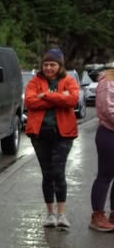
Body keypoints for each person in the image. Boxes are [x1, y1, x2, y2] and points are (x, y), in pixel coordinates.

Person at [23, 48, 79, 229]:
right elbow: (29, 102)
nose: (48, 68)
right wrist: (59, 98)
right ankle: (50, 214)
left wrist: (45, 95)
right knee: (47, 174)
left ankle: (61, 214)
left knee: (58, 172)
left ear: (60, 65)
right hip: (40, 134)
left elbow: (73, 100)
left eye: (52, 64)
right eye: (46, 64)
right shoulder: (34, 81)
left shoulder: (68, 80)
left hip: (63, 134)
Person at [89, 66, 114, 231]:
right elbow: (108, 109)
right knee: (105, 175)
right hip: (109, 133)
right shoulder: (108, 80)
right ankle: (97, 215)